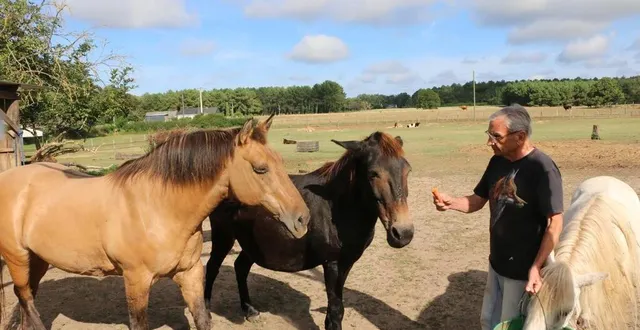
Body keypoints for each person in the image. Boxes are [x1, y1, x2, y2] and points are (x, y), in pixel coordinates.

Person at [432, 104, 564, 330]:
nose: (489, 142)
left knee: (509, 324)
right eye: (489, 134)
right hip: (497, 262)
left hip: (523, 270)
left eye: (496, 136)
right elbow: (478, 200)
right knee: (488, 321)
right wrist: (451, 202)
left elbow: (555, 223)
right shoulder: (497, 161)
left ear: (520, 136)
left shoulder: (542, 169)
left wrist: (536, 267)